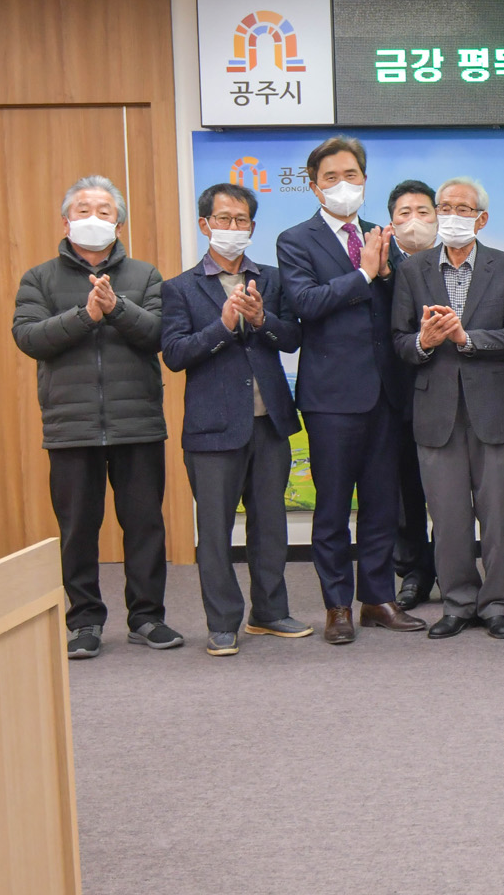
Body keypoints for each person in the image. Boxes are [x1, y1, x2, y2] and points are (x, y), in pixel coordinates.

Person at [13, 176, 181, 659]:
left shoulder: (145, 275)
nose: (93, 218)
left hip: (137, 423)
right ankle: (84, 621)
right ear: (66, 222)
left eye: (104, 211)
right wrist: (86, 315)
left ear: (118, 224)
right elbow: (29, 337)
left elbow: (159, 335)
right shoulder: (39, 278)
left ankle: (147, 618)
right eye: (83, 210)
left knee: (145, 525)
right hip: (71, 427)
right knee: (77, 530)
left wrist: (116, 307)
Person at [276, 136, 424, 644]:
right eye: (332, 177)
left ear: (365, 179)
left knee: (383, 506)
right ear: (315, 186)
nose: (344, 185)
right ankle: (337, 605)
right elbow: (306, 303)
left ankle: (377, 599)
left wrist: (394, 268)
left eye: (352, 175)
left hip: (386, 392)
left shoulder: (380, 235)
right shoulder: (296, 240)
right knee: (334, 508)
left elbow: (401, 304)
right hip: (332, 398)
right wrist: (365, 273)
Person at [161, 183, 308, 656]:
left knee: (270, 526)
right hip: (212, 429)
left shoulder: (272, 279)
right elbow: (176, 354)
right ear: (204, 224)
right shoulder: (180, 287)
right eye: (223, 219)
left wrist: (262, 320)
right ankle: (222, 622)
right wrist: (223, 326)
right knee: (215, 531)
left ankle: (269, 612)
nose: (232, 227)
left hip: (270, 423)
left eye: (241, 219)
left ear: (252, 227)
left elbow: (292, 338)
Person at [392, 177, 504, 640]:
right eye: (444, 207)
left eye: (462, 208)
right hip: (436, 411)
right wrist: (423, 342)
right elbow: (399, 341)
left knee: (498, 518)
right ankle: (457, 602)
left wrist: (466, 338)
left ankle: (496, 604)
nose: (451, 215)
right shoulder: (413, 270)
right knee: (449, 517)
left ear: (482, 218)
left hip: (494, 409)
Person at [387, 179, 439, 610]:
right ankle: (413, 573)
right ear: (391, 222)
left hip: (452, 391)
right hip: (398, 391)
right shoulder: (379, 264)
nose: (414, 220)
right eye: (405, 213)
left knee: (454, 492)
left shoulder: (460, 260)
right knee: (405, 489)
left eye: (423, 211)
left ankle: (454, 566)